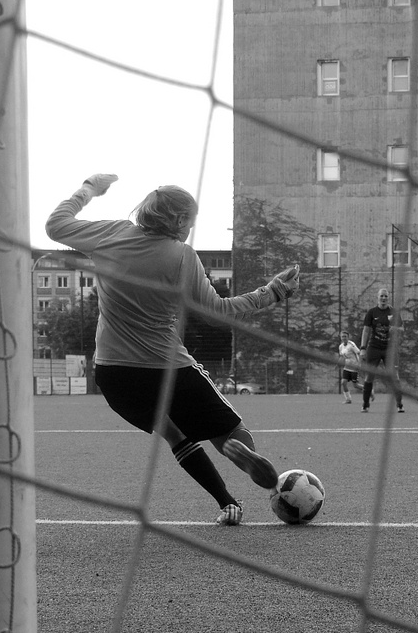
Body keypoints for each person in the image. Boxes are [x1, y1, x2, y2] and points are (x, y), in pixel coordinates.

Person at [46, 172, 298, 526]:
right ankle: (233, 447)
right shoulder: (182, 256)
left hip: (113, 374)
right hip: (167, 368)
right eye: (190, 223)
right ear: (179, 221)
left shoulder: (111, 234)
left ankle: (226, 501)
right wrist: (269, 293)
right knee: (227, 429)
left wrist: (89, 189)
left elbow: (55, 225)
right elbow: (216, 314)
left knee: (174, 434)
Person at [360, 289, 404, 413]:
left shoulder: (394, 312)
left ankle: (399, 404)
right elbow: (366, 331)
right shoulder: (372, 313)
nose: (383, 298)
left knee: (394, 376)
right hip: (374, 348)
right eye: (381, 296)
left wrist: (395, 328)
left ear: (388, 298)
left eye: (385, 296)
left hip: (389, 349)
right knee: (369, 376)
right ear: (377, 297)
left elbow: (402, 329)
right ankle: (365, 404)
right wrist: (363, 348)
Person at [337, 331, 362, 404]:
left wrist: (359, 364)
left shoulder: (351, 345)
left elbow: (358, 353)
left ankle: (369, 390)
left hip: (354, 367)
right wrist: (338, 364)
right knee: (343, 382)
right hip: (346, 367)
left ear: (348, 337)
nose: (344, 338)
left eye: (345, 336)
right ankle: (348, 399)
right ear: (340, 337)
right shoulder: (341, 346)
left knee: (356, 385)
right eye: (342, 336)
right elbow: (341, 356)